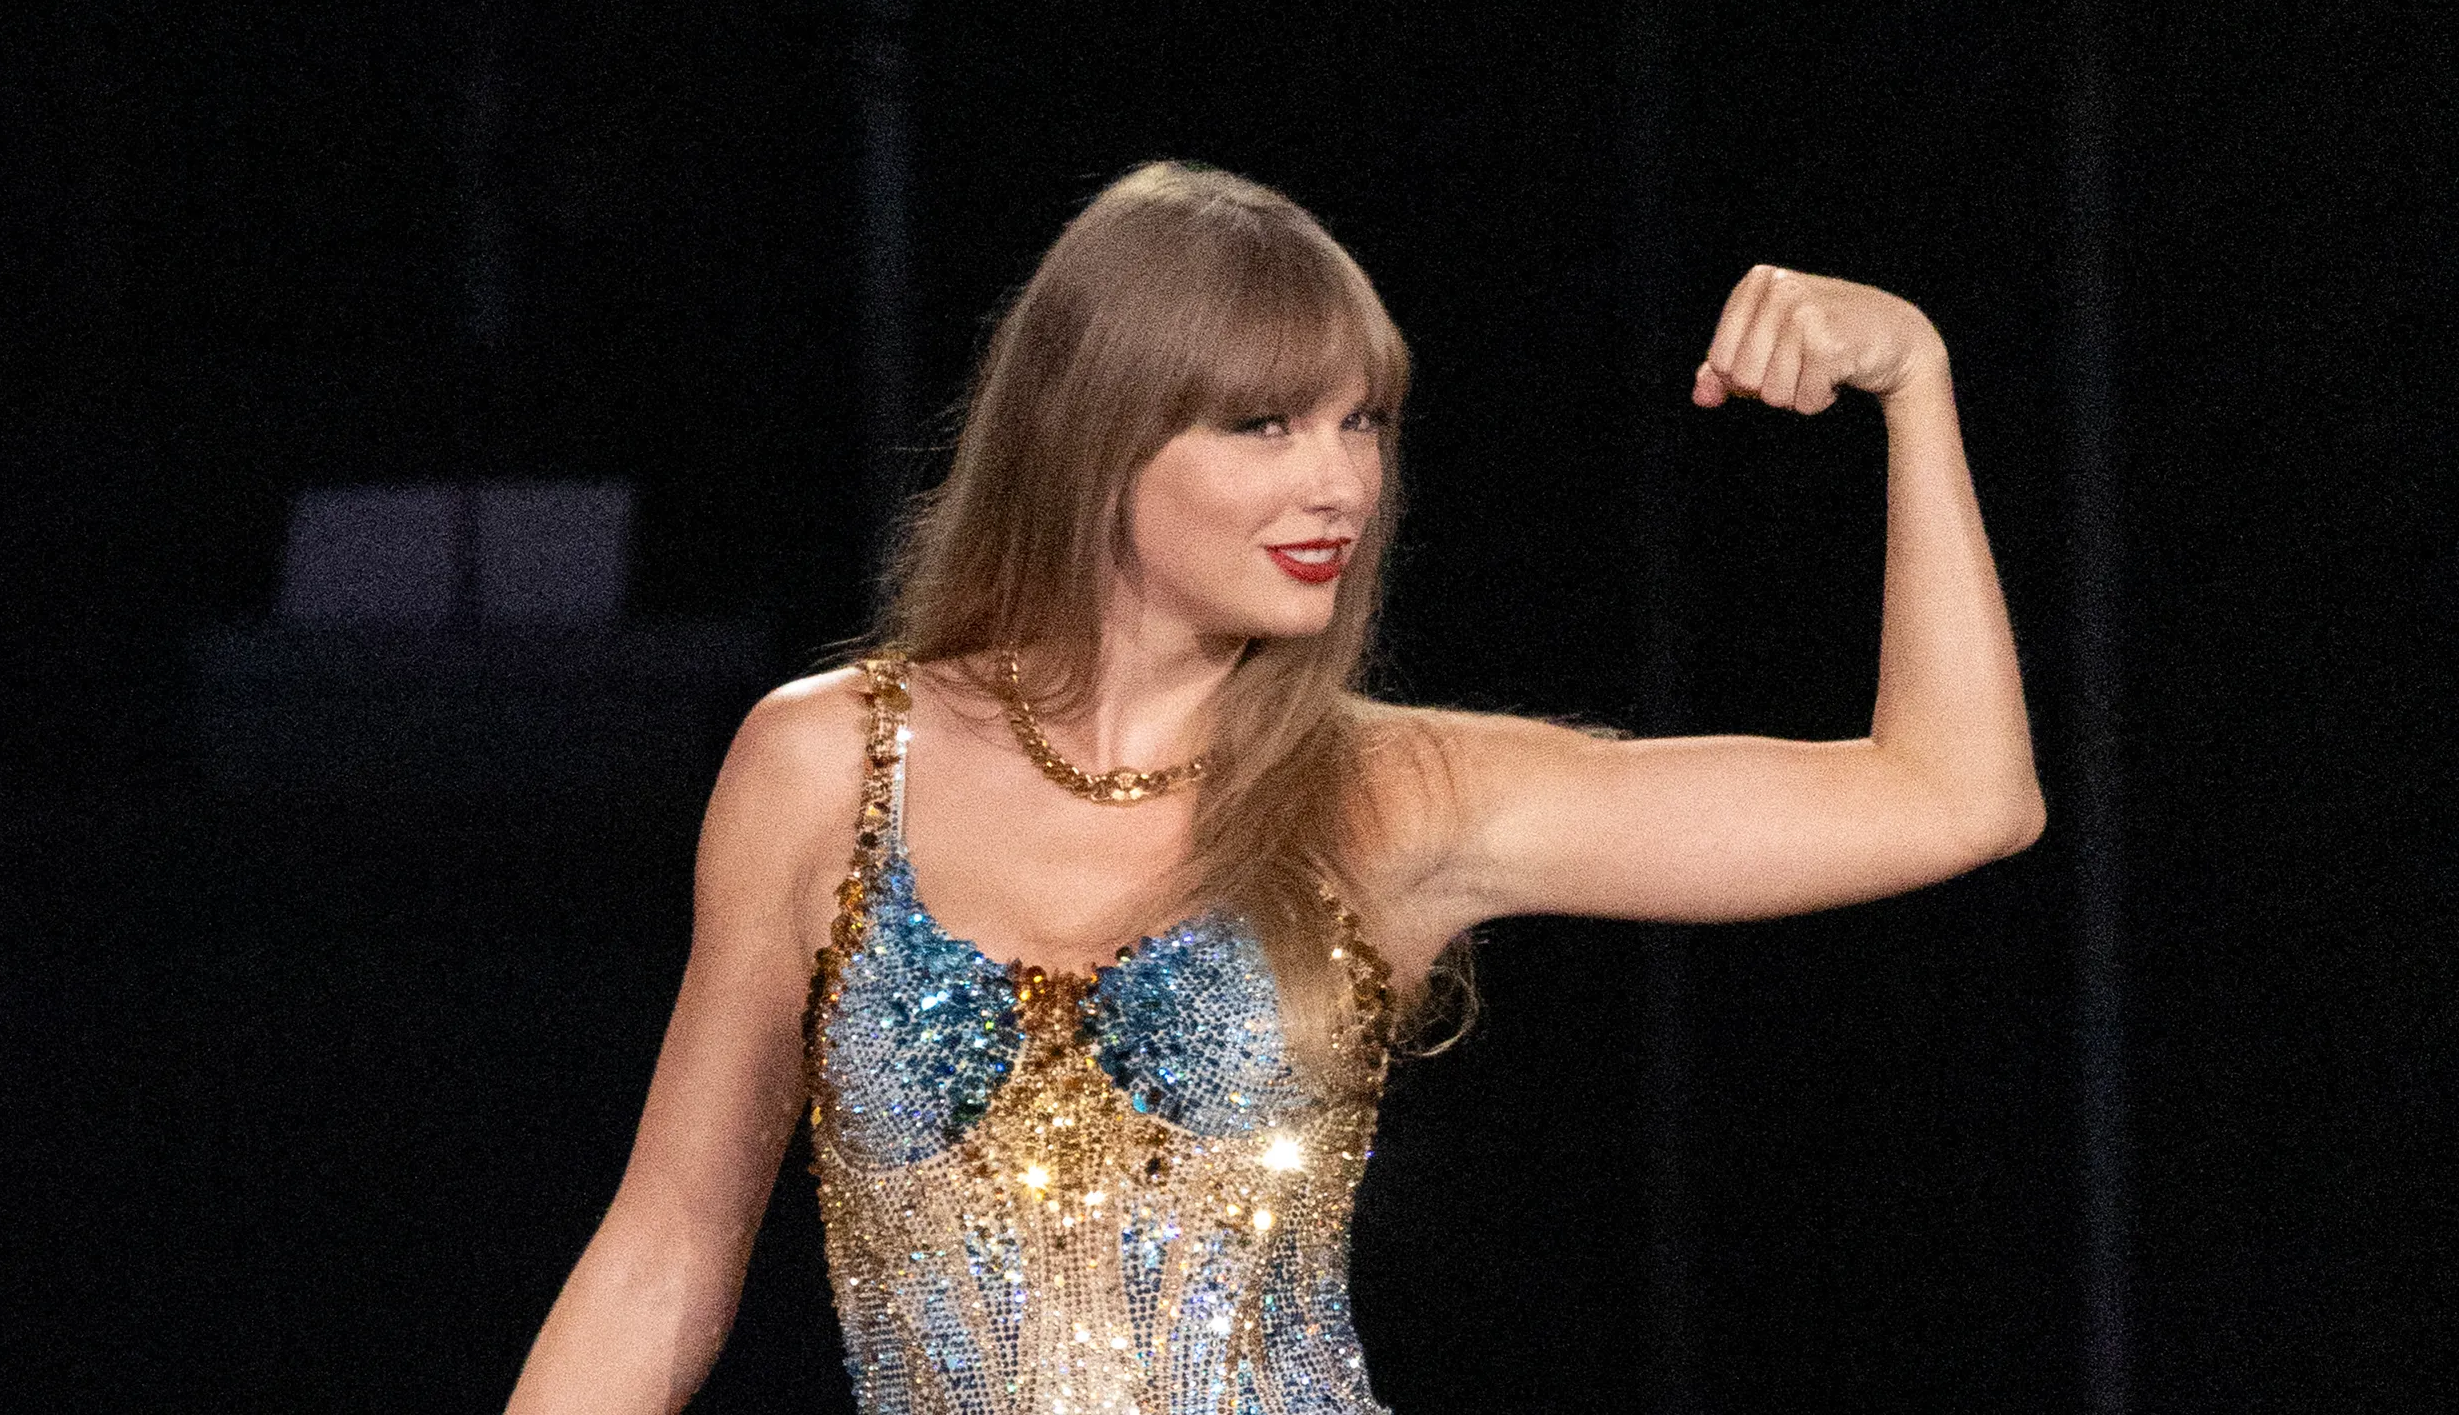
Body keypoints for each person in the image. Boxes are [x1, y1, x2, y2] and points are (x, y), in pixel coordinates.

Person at [504, 161, 2043, 1415]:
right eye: (1266, 424)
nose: (1343, 485)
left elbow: (1954, 796)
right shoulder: (825, 763)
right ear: (1097, 437)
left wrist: (1916, 378)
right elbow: (665, 1258)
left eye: (1361, 421)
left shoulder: (1397, 793)